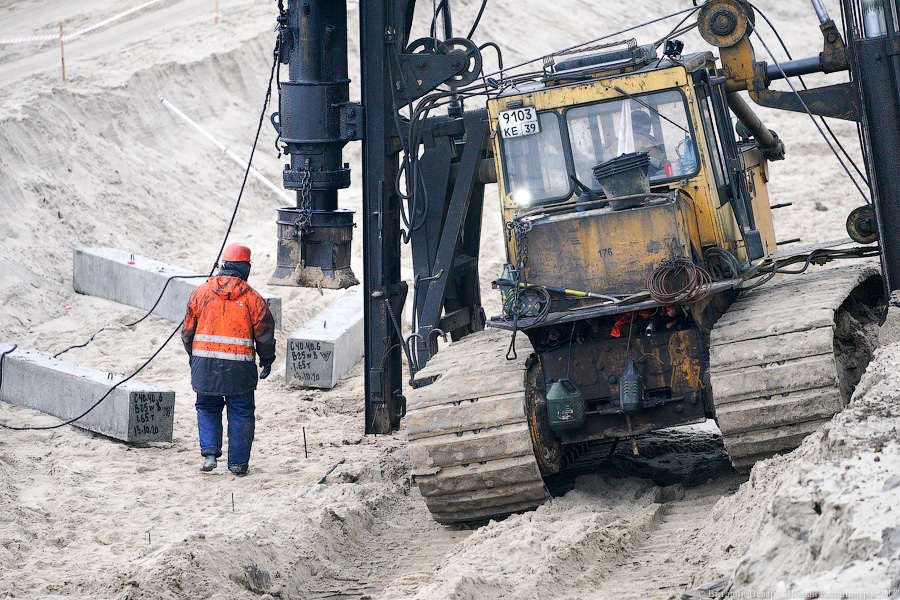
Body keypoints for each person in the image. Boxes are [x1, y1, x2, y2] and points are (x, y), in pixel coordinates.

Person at [182, 242, 276, 476]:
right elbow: (264, 336)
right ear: (246, 268)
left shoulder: (201, 293)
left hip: (206, 366)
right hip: (240, 370)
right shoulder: (253, 299)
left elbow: (187, 331)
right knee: (241, 412)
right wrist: (267, 360)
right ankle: (238, 464)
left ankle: (210, 454)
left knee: (207, 407)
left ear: (224, 265)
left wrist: (193, 356)